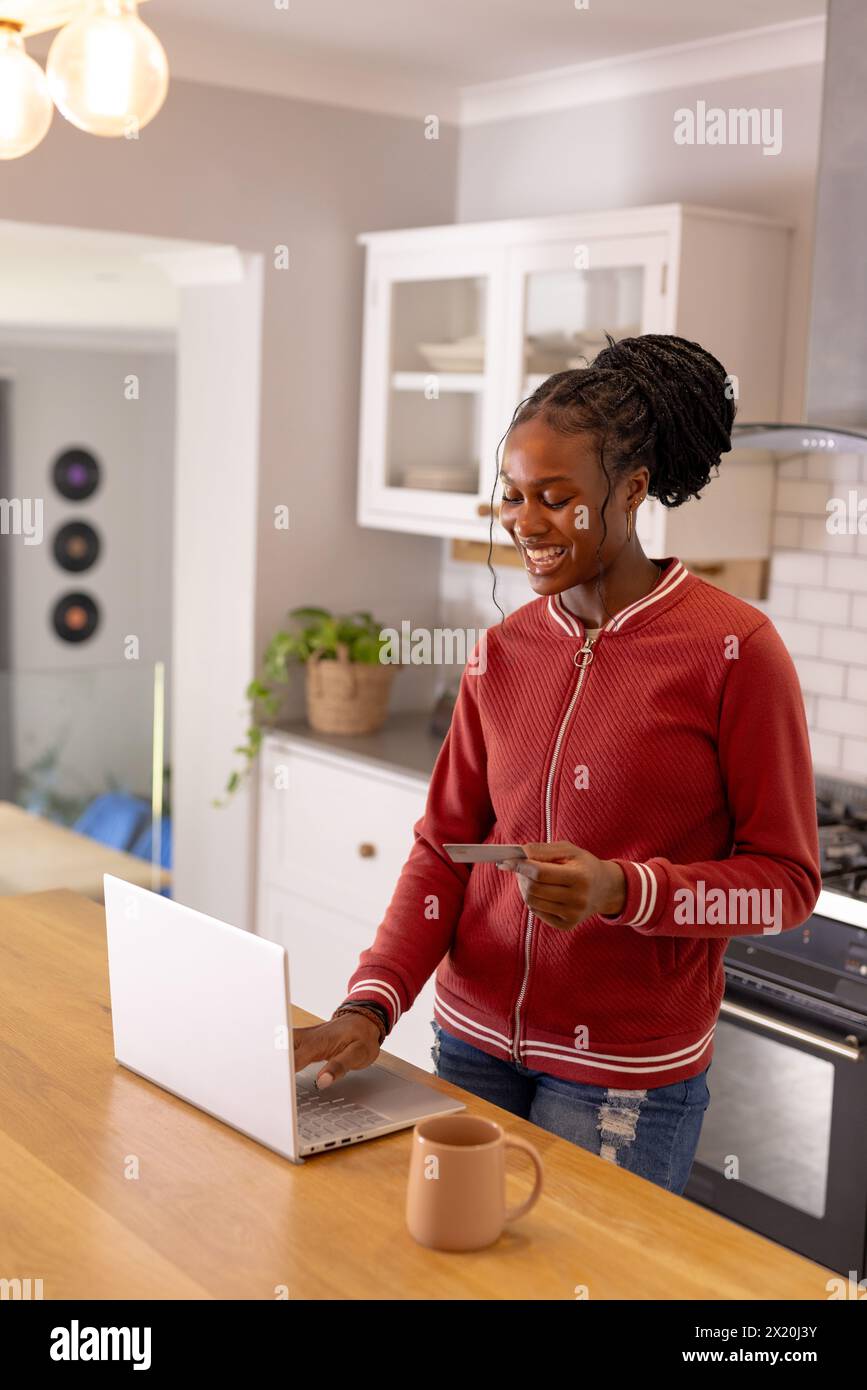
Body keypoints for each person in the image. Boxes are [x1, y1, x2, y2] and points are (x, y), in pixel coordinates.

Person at [292, 333, 822, 1194]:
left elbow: (784, 886)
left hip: (622, 1077)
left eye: (554, 497)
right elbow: (443, 849)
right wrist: (370, 1004)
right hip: (470, 1041)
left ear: (632, 490)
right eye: (510, 496)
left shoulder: (733, 651)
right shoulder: (501, 652)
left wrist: (622, 889)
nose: (524, 523)